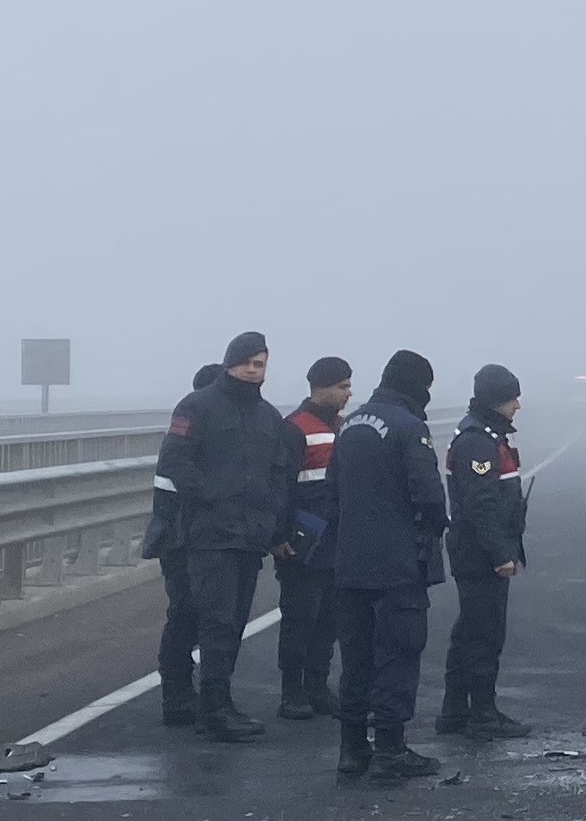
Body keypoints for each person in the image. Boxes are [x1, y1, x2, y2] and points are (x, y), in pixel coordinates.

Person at [149, 332, 293, 744]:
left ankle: (216, 700)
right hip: (208, 534)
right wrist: (213, 497)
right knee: (209, 619)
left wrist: (272, 521)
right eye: (246, 361)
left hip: (250, 536)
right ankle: (210, 706)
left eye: (260, 362)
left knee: (232, 622)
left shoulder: (269, 417)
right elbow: (176, 461)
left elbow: (278, 473)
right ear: (229, 363)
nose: (253, 369)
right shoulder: (198, 407)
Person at [328, 349, 448, 781]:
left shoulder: (352, 424)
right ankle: (391, 748)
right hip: (397, 562)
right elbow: (429, 496)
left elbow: (332, 491)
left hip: (350, 562)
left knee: (356, 657)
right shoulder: (409, 427)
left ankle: (352, 747)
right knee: (398, 652)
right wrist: (433, 530)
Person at [437, 363, 533, 739]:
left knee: (469, 632)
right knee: (484, 634)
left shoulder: (487, 434)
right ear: (496, 401)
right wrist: (500, 554)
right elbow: (481, 505)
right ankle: (482, 716)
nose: (518, 406)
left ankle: (456, 711)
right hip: (479, 554)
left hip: (476, 551)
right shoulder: (478, 440)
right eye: (512, 398)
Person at [140, 361, 226, 728]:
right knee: (186, 613)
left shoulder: (199, 430)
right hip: (180, 537)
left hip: (188, 534)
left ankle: (187, 692)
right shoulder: (191, 432)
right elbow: (188, 482)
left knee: (196, 614)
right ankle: (176, 693)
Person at [271, 356, 355, 722]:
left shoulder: (344, 426)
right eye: (342, 386)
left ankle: (318, 687)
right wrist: (278, 536)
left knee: (329, 620)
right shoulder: (294, 429)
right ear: (320, 388)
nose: (349, 393)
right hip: (303, 540)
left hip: (337, 539)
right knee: (299, 619)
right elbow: (278, 487)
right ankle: (293, 692)